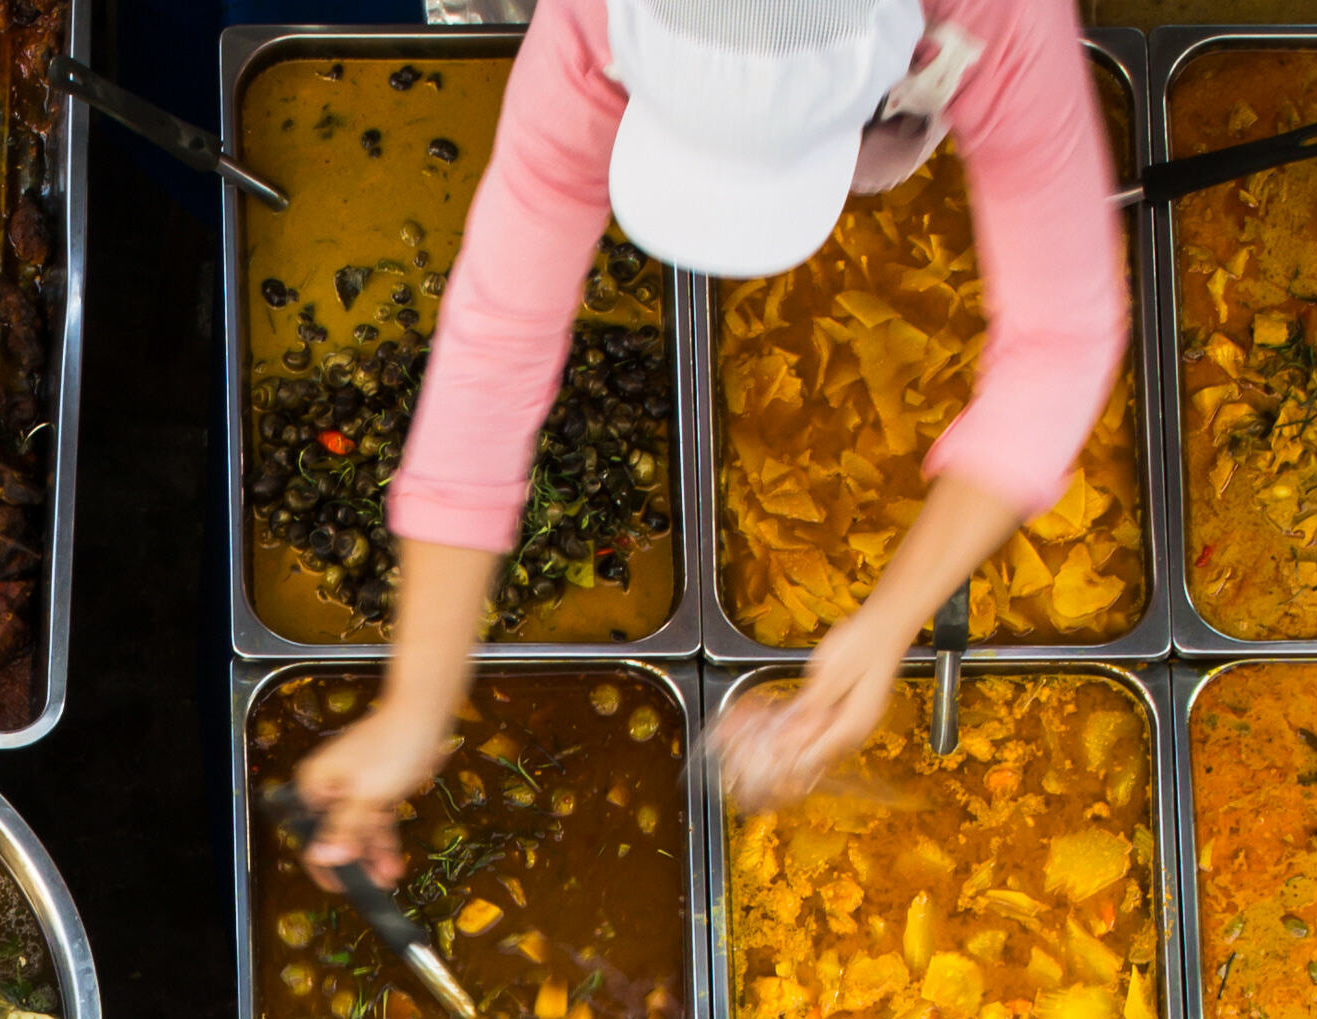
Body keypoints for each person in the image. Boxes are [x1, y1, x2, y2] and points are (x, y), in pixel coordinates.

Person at [292, 0, 1125, 882]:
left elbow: (1061, 336)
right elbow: (496, 343)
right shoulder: (591, 24)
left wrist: (889, 622)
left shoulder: (997, 13)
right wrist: (415, 704)